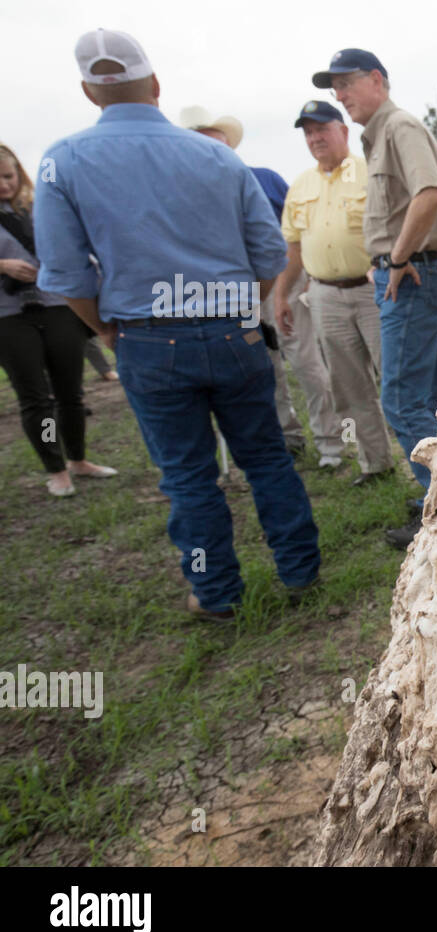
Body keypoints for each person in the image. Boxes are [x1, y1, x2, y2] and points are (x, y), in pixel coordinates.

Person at [35, 29, 319, 620]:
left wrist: (106, 330)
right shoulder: (218, 155)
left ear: (89, 92)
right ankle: (300, 567)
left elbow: (64, 274)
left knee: (188, 477)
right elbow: (268, 256)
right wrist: (239, 306)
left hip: (146, 337)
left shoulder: (64, 161)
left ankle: (214, 590)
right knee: (265, 457)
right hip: (232, 330)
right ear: (156, 85)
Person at [312, 48, 437, 548]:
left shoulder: (398, 127)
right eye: (334, 88)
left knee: (399, 400)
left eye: (348, 84)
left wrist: (397, 260)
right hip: (411, 274)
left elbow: (430, 194)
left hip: (409, 276)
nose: (340, 96)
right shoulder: (381, 134)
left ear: (377, 79)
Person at [179, 105, 344, 469]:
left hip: (282, 281)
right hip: (235, 295)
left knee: (305, 360)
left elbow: (301, 232)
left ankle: (331, 442)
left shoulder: (265, 179)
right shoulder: (188, 198)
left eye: (218, 143)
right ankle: (288, 436)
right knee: (263, 365)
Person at [275, 100, 392, 486]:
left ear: (342, 130)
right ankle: (374, 464)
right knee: (347, 386)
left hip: (372, 292)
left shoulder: (370, 170)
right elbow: (293, 248)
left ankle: (432, 461)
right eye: (308, 132)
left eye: (321, 129)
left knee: (395, 378)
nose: (315, 138)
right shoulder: (300, 186)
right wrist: (280, 296)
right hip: (323, 296)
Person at [0, 141, 117, 497]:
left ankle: (79, 460)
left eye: (8, 176)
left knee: (71, 392)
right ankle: (56, 468)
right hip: (10, 317)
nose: (4, 185)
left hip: (57, 308)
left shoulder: (39, 210)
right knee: (36, 397)